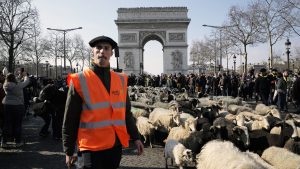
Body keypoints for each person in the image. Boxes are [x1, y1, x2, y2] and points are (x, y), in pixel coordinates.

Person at [62, 36, 144, 169]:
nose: (102, 51)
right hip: (89, 147)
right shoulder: (79, 80)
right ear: (92, 52)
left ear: (111, 53)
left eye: (106, 48)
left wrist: (136, 137)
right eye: (98, 48)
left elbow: (126, 113)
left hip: (114, 145)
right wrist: (68, 150)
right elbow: (70, 118)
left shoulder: (121, 80)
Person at [1, 72, 30, 148]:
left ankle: (4, 141)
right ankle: (17, 141)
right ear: (14, 78)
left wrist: (19, 76)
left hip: (7, 105)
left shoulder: (5, 85)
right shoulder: (18, 86)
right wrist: (26, 76)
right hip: (17, 105)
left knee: (7, 124)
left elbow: (14, 80)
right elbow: (26, 82)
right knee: (17, 124)